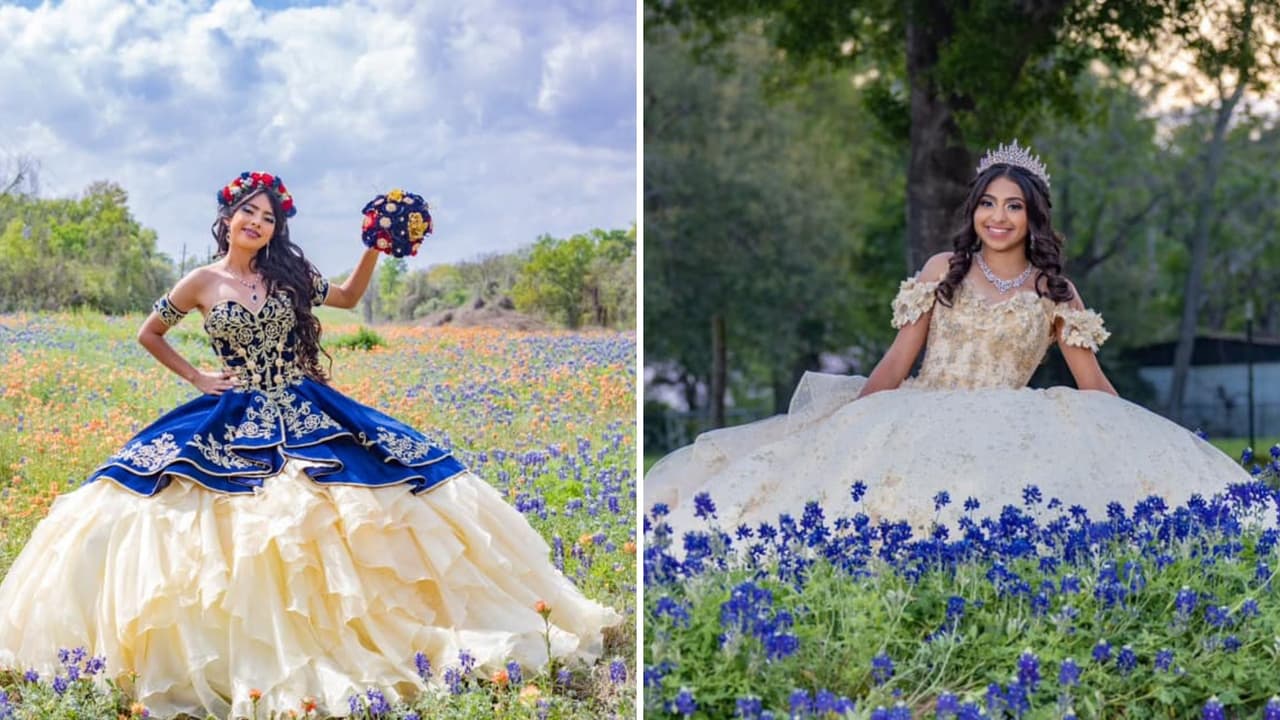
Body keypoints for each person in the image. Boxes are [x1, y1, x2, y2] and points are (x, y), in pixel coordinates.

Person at [0, 172, 620, 718]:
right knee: (170, 508)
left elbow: (347, 298)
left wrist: (374, 246)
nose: (258, 222)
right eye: (250, 211)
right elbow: (149, 331)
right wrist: (196, 376)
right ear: (228, 217)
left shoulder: (288, 275)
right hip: (232, 411)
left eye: (269, 217)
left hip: (304, 403)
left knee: (369, 494)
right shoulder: (200, 281)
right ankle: (232, 653)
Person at [646, 141, 1251, 536]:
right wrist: (849, 420)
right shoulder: (943, 269)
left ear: (1032, 217)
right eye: (988, 203)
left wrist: (1134, 445)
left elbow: (1092, 385)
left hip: (1010, 420)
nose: (998, 217)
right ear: (974, 211)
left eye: (1014, 207)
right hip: (922, 406)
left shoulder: (1056, 291)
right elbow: (899, 358)